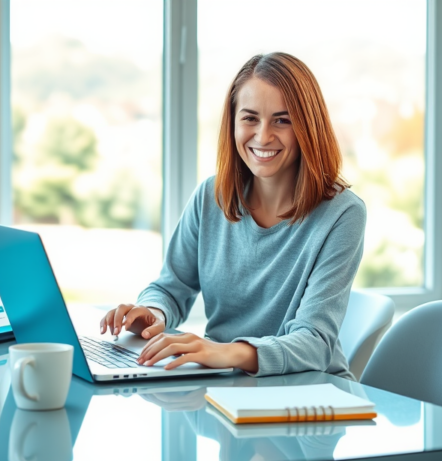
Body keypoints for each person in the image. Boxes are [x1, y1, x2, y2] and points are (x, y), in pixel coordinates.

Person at [99, 52, 366, 379]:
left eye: (282, 120)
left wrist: (224, 352)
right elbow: (172, 287)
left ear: (307, 126)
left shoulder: (342, 214)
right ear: (233, 122)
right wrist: (152, 314)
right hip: (227, 384)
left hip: (311, 394)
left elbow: (315, 341)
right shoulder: (211, 197)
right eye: (250, 118)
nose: (263, 136)